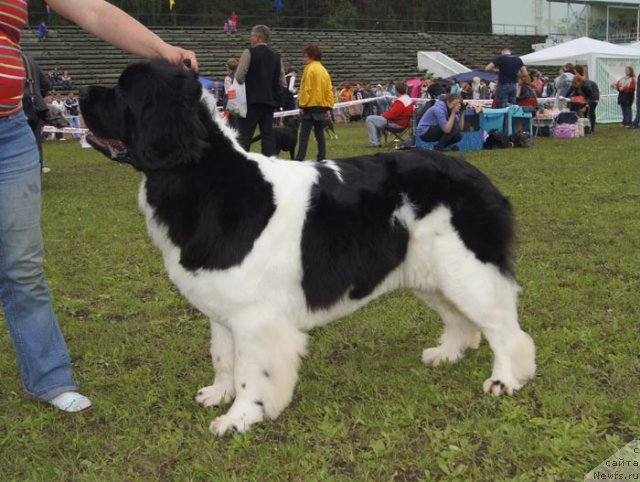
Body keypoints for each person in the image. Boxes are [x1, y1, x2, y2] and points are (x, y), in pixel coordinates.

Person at [1, 0, 196, 414]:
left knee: (22, 265)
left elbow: (91, 9)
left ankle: (49, 378)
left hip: (9, 132)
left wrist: (159, 47)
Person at [235, 24, 286, 156]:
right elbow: (282, 81)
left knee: (245, 135)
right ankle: (269, 162)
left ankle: (241, 163)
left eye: (252, 36)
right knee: (268, 135)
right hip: (269, 102)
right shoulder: (277, 57)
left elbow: (240, 77)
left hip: (251, 101)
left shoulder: (249, 52)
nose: (251, 39)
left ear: (257, 37)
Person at [295, 44, 334, 162]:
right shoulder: (324, 70)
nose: (304, 58)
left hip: (309, 107)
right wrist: (329, 107)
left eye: (305, 55)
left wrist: (302, 104)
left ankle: (300, 158)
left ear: (310, 55)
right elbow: (329, 90)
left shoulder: (309, 69)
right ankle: (322, 157)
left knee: (304, 135)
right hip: (322, 107)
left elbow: (306, 89)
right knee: (320, 135)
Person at [21, 54, 51, 172]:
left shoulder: (7, 58)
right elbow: (46, 84)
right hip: (35, 105)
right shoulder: (30, 60)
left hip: (16, 107)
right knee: (35, 139)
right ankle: (38, 166)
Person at [365, 81, 413, 148]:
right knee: (375, 120)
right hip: (403, 123)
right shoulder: (407, 98)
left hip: (397, 124)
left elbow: (392, 114)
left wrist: (383, 114)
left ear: (397, 91)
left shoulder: (400, 101)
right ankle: (376, 142)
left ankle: (374, 143)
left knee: (369, 119)